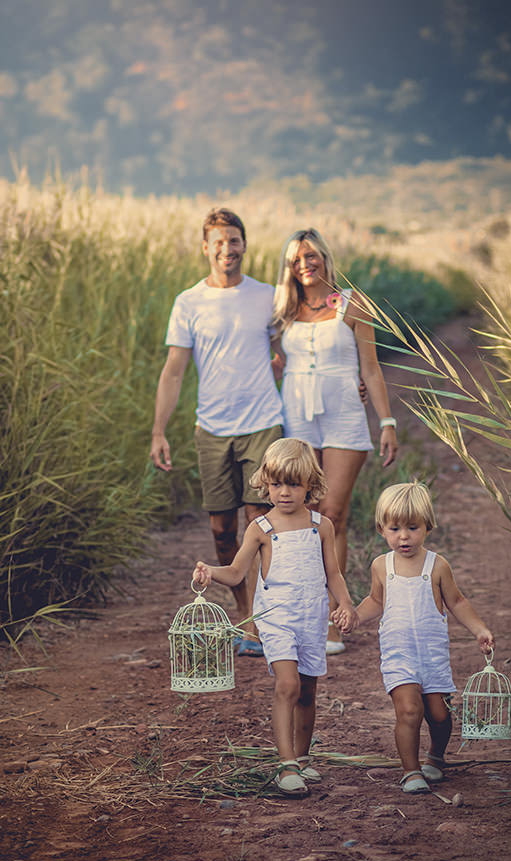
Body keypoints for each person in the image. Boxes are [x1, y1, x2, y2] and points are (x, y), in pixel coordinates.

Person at [192, 438, 358, 797]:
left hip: (311, 617)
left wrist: (344, 604)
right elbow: (237, 573)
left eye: (294, 484)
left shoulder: (321, 526)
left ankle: (301, 756)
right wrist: (209, 571)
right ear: (265, 483)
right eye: (277, 483)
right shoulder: (261, 528)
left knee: (308, 691)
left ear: (310, 486)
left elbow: (334, 574)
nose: (285, 492)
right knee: (288, 685)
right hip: (276, 617)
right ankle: (285, 765)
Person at [151, 208, 283, 657]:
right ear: (205, 248)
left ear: (245, 245)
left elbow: (293, 347)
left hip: (263, 423)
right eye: (219, 242)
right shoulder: (189, 302)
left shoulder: (267, 296)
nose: (227, 249)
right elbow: (173, 372)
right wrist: (158, 431)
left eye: (235, 240)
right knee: (222, 528)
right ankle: (244, 609)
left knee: (260, 521)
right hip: (212, 428)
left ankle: (261, 624)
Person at [274, 227, 399, 654]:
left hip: (344, 417)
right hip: (298, 420)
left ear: (325, 257)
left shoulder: (350, 303)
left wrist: (386, 421)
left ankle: (335, 618)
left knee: (333, 513)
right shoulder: (286, 308)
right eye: (295, 260)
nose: (305, 264)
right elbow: (274, 360)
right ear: (289, 268)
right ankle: (303, 613)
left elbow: (371, 368)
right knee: (304, 516)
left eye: (311, 256)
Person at [333, 482, 493, 795]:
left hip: (433, 657)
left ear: (428, 527)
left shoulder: (437, 565)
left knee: (440, 714)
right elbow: (376, 601)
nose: (403, 536)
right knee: (408, 711)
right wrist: (354, 615)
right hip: (399, 655)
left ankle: (435, 756)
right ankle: (410, 770)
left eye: (412, 527)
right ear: (382, 529)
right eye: (395, 528)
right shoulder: (382, 566)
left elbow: (457, 601)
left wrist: (479, 629)